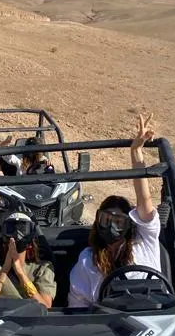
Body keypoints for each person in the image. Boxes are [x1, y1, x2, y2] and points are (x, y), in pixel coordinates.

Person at [68, 113, 162, 308]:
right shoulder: (88, 260)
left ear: (129, 224)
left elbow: (144, 200)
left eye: (118, 222)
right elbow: (78, 306)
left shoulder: (145, 241)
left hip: (153, 317)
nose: (111, 227)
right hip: (107, 326)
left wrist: (136, 152)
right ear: (97, 221)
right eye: (105, 220)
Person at [0, 212, 56, 308]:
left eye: (23, 229)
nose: (17, 235)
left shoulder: (43, 268)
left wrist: (20, 273)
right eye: (11, 229)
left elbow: (45, 306)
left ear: (30, 242)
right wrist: (4, 270)